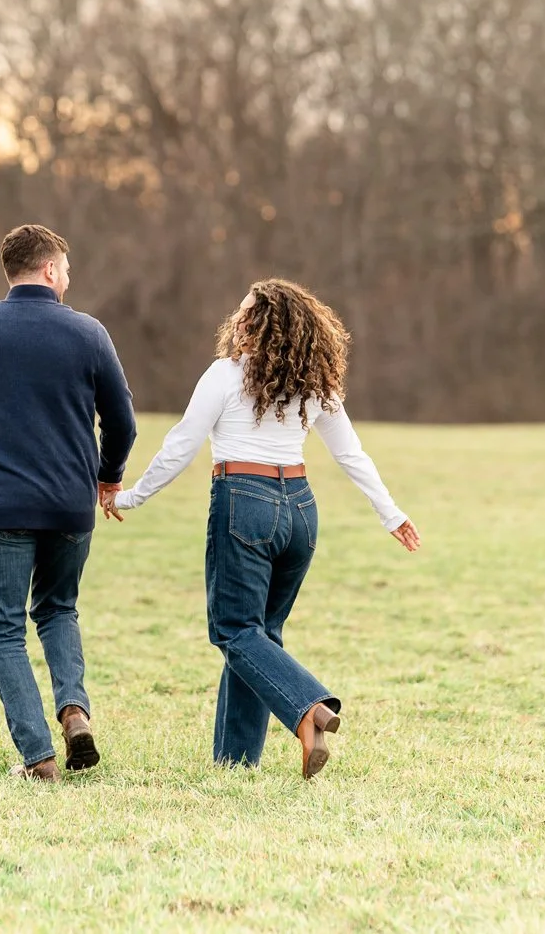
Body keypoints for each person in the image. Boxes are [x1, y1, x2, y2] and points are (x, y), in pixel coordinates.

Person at [112, 278, 421, 779]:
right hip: (301, 511)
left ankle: (308, 707)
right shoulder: (314, 383)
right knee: (260, 637)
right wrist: (390, 513)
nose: (238, 320)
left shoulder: (224, 375)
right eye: (238, 311)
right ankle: (235, 763)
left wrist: (132, 495)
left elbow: (181, 444)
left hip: (244, 503)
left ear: (269, 326)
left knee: (234, 631)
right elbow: (350, 454)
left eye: (248, 314)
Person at [0, 224, 138, 781]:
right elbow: (123, 422)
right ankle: (74, 711)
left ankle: (39, 759)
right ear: (50, 270)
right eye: (66, 269)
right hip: (69, 506)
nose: (68, 279)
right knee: (59, 609)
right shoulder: (89, 334)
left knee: (4, 632)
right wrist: (107, 476)